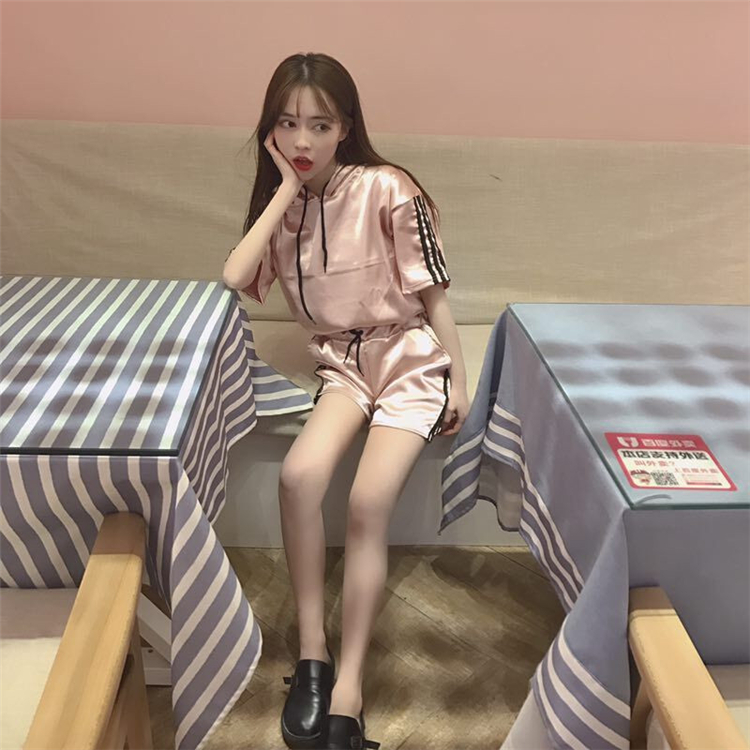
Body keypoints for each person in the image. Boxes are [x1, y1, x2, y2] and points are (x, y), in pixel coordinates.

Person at [223, 52, 469, 750]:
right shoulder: (284, 206)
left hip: (409, 360)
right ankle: (312, 655)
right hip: (342, 364)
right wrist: (282, 189)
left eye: (320, 125)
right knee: (299, 476)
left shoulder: (388, 187)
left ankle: (350, 689)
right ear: (270, 130)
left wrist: (459, 379)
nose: (303, 141)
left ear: (347, 128)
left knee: (365, 504)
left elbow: (433, 295)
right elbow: (236, 275)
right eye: (287, 124)